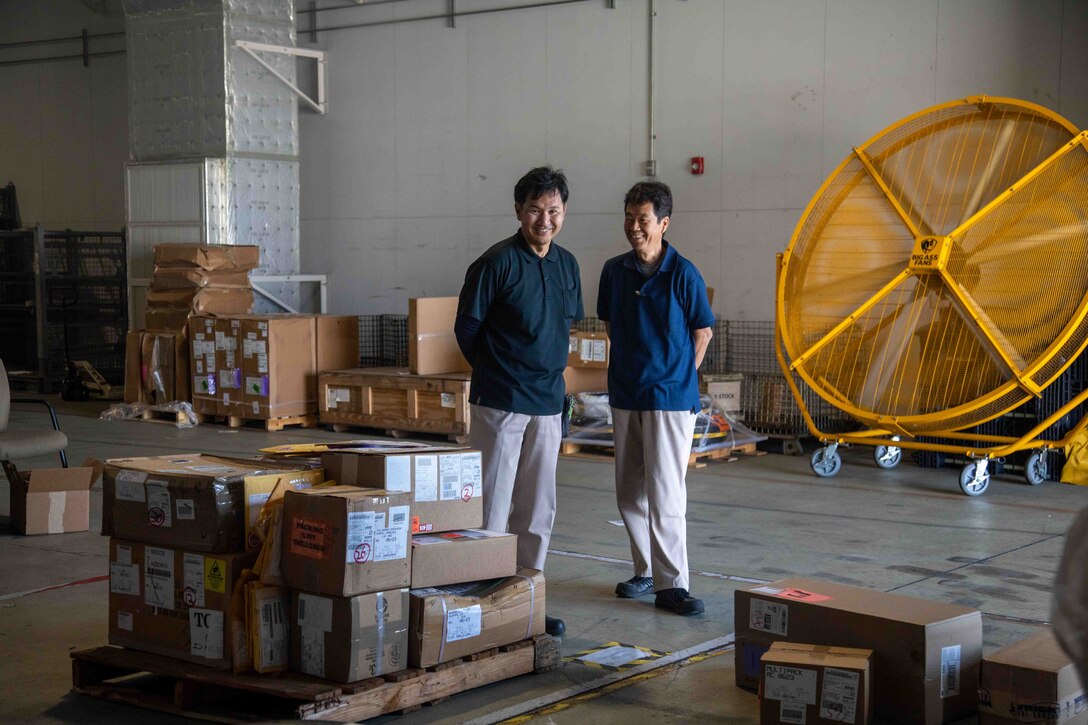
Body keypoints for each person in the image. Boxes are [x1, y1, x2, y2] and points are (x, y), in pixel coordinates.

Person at [455, 166, 583, 638]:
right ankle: (484, 601)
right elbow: (467, 329)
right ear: (518, 211)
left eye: (553, 211)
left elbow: (567, 328)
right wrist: (495, 371)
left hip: (548, 403)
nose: (544, 220)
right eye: (535, 210)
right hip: (502, 402)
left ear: (564, 213)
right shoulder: (496, 263)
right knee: (492, 504)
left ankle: (525, 599)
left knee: (537, 509)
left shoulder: (567, 265)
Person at [597, 180, 714, 616]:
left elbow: (703, 332)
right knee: (630, 491)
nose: (634, 227)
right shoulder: (614, 271)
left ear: (663, 223)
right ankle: (645, 570)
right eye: (629, 218)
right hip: (626, 392)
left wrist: (679, 376)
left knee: (665, 492)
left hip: (669, 396)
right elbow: (611, 326)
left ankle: (673, 585)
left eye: (642, 219)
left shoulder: (684, 273)